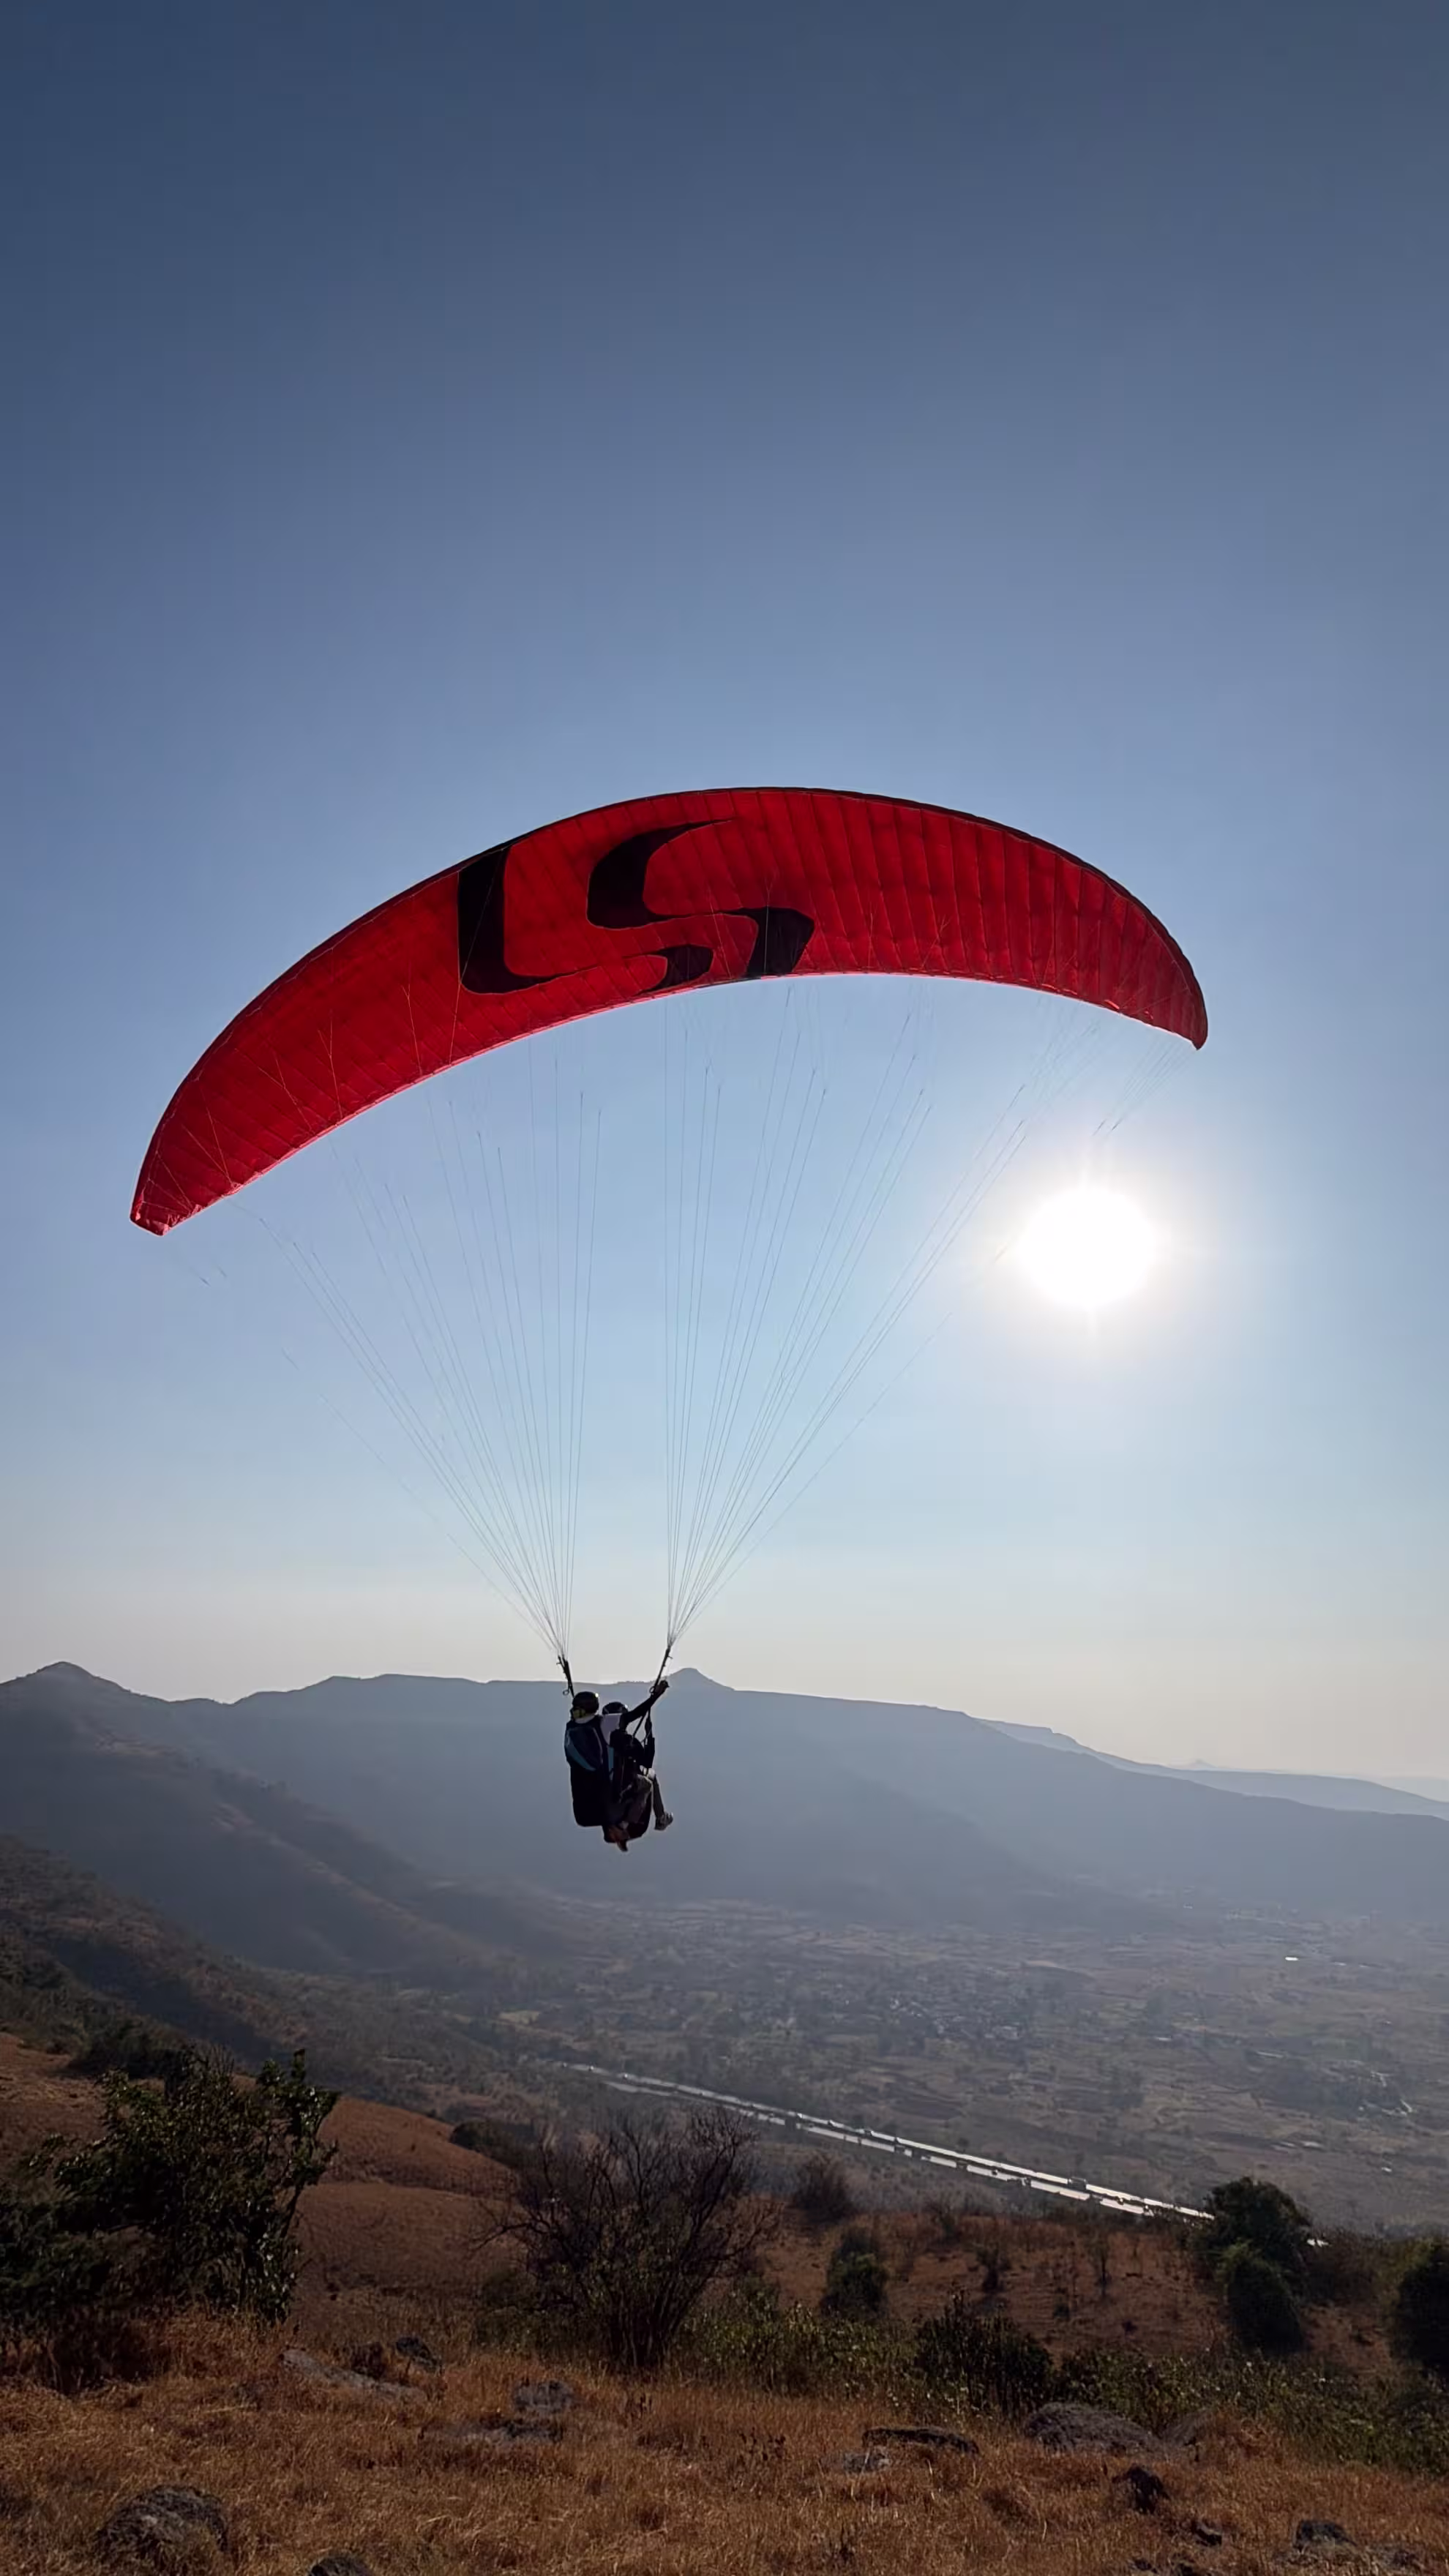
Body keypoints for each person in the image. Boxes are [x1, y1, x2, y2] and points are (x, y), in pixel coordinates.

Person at [564, 1675, 673, 1847]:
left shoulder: (572, 1730)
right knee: (647, 1784)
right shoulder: (607, 1726)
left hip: (583, 1811)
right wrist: (656, 1696)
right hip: (611, 1802)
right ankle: (626, 1826)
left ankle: (617, 1828)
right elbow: (636, 1714)